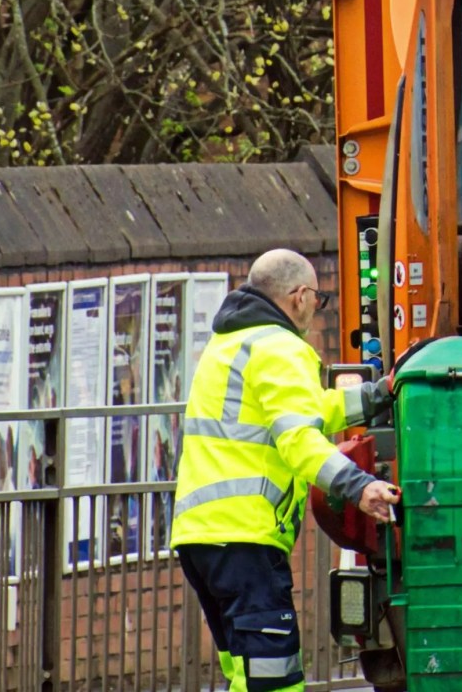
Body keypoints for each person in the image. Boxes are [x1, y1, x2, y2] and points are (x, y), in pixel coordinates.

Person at [172, 249, 401, 692]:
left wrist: (378, 395)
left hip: (201, 537)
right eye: (318, 298)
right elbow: (299, 440)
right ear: (299, 296)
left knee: (245, 674)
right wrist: (361, 487)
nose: (318, 307)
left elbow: (309, 411)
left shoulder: (229, 344)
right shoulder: (282, 348)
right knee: (274, 675)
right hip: (247, 538)